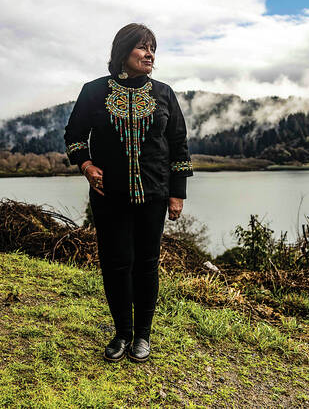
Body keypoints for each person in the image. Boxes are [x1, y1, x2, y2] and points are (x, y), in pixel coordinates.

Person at [64, 23, 193, 363]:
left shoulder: (164, 93)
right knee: (116, 264)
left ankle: (143, 337)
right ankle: (122, 333)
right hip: (109, 196)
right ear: (123, 51)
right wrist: (86, 165)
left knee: (147, 265)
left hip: (153, 195)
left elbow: (178, 145)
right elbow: (75, 136)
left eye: (153, 48)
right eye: (143, 47)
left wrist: (176, 192)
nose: (150, 53)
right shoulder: (93, 92)